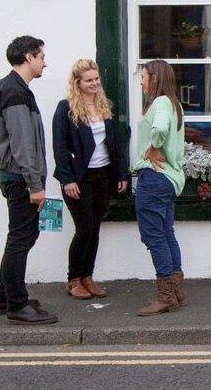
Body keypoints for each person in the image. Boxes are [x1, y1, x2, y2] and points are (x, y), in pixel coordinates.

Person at [0, 35, 57, 325]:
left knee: (19, 235)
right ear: (28, 57)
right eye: (41, 57)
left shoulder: (2, 87)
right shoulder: (15, 91)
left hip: (12, 175)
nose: (44, 62)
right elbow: (23, 142)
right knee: (22, 237)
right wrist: (35, 185)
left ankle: (5, 297)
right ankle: (16, 303)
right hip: (20, 177)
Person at [52, 59, 130, 300]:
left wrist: (121, 173)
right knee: (84, 228)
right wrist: (67, 180)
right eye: (89, 80)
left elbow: (116, 145)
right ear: (77, 83)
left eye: (96, 79)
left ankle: (88, 277)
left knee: (94, 228)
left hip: (103, 175)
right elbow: (59, 146)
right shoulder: (66, 109)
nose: (94, 83)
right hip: (79, 178)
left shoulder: (105, 106)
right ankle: (73, 279)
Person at [133, 60, 187, 316]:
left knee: (154, 235)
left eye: (143, 76)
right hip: (168, 179)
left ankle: (165, 296)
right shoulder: (173, 103)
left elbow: (159, 129)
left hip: (154, 178)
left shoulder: (161, 103)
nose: (141, 81)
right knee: (166, 232)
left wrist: (153, 146)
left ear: (154, 78)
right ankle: (176, 290)